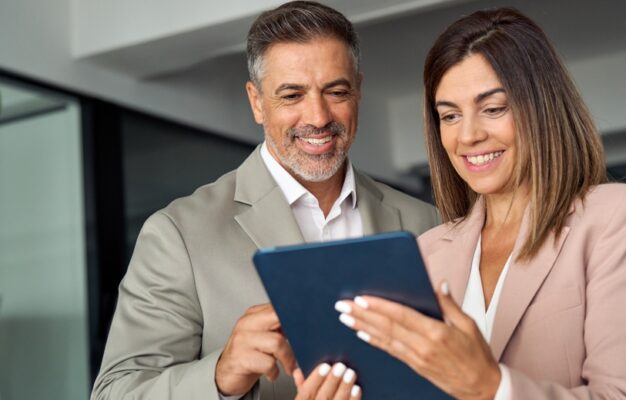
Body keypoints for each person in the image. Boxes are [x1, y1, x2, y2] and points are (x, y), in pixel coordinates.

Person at [90, 2, 440, 400]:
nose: (318, 116)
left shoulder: (425, 222)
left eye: (336, 91)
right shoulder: (178, 235)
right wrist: (220, 375)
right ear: (256, 101)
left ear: (358, 90)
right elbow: (115, 393)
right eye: (292, 95)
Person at [334, 7, 626, 399]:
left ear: (542, 107)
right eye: (450, 116)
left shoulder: (620, 217)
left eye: (493, 108)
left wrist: (491, 387)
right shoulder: (426, 251)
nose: (468, 136)